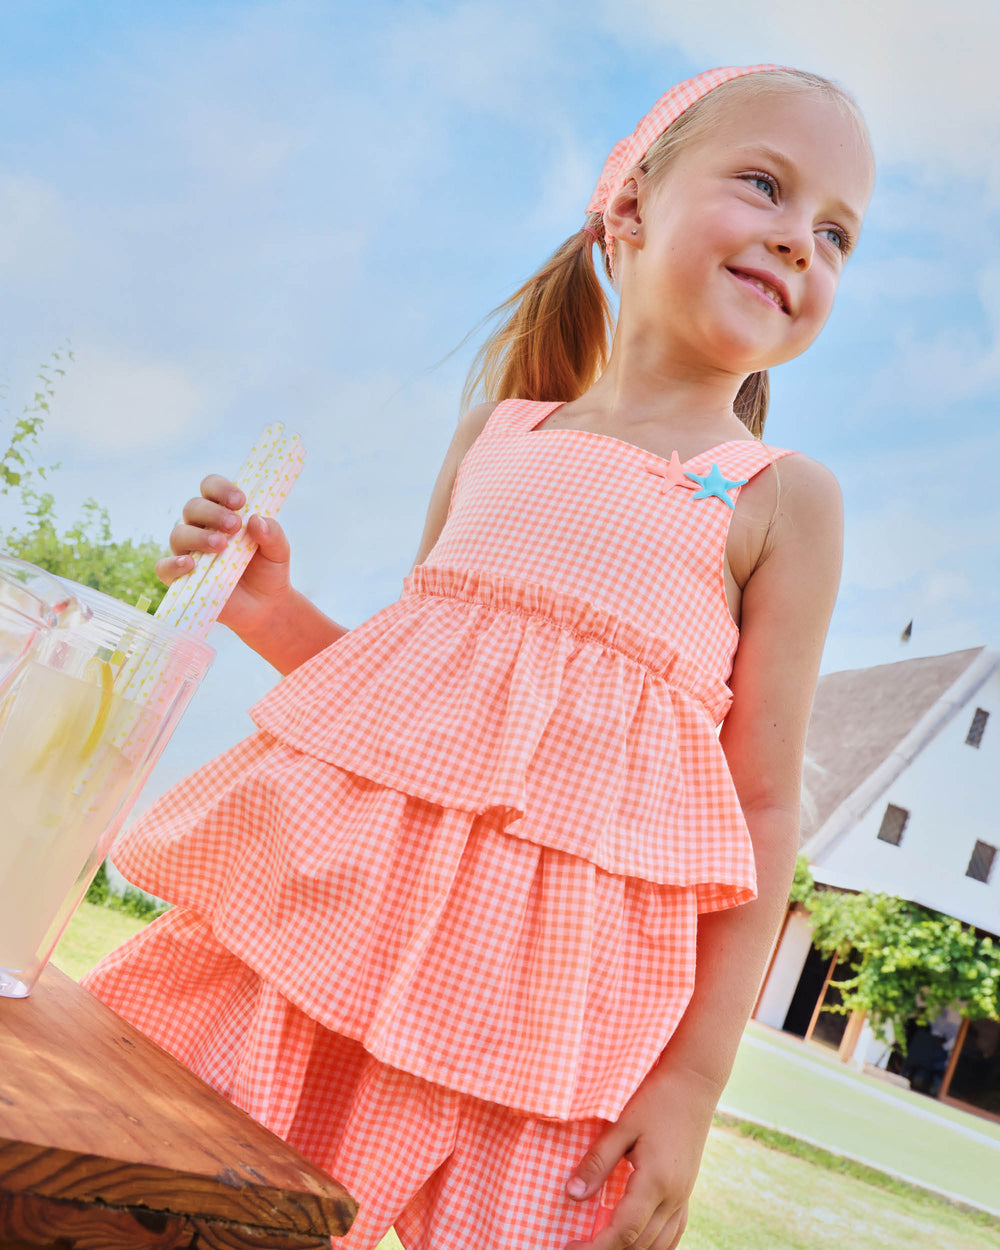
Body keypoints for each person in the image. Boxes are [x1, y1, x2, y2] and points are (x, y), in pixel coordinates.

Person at [83, 64, 875, 1250]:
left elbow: (760, 809)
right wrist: (269, 605)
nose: (797, 241)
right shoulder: (499, 436)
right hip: (323, 941)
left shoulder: (778, 501)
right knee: (143, 1204)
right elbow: (406, 709)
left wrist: (691, 1086)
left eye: (835, 232)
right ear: (630, 208)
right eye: (763, 183)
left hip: (540, 1027)